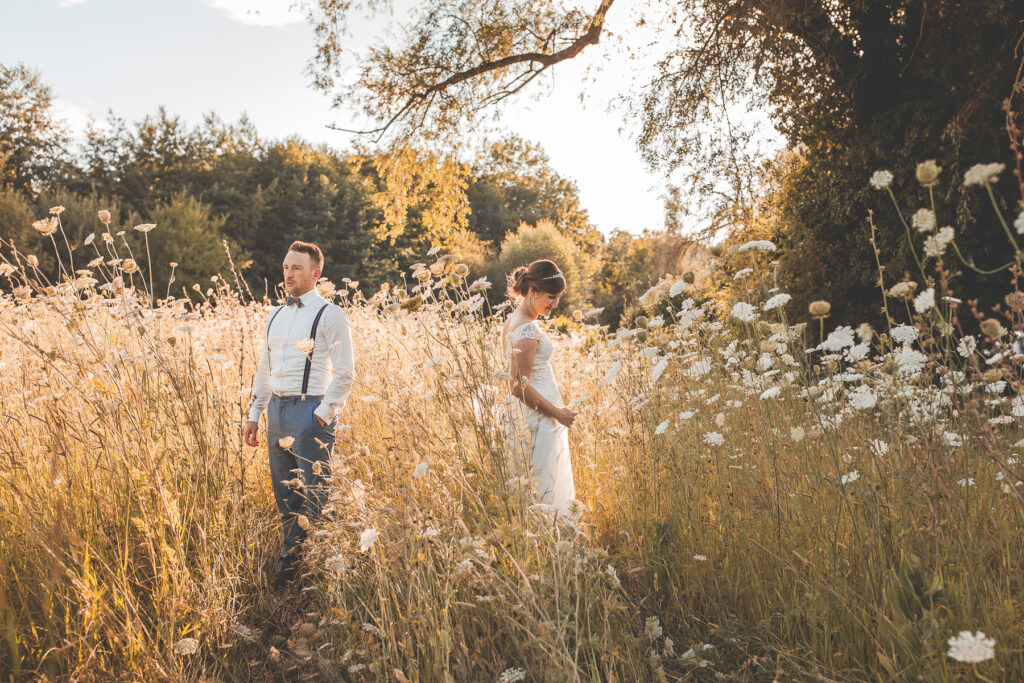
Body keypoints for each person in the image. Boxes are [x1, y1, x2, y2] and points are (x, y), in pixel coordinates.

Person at [243, 241, 355, 588]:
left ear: (315, 274)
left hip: (311, 410)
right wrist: (255, 413)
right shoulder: (275, 315)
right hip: (276, 410)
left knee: (317, 496)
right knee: (286, 495)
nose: (288, 274)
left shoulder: (330, 314)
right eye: (286, 267)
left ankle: (325, 571)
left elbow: (345, 373)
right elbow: (265, 368)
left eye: (297, 268)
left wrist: (321, 415)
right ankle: (290, 568)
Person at [501, 259, 577, 516]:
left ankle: (543, 530)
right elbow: (517, 386)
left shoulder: (514, 320)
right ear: (533, 291)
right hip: (539, 417)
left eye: (559, 297)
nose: (556, 304)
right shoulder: (526, 328)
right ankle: (550, 530)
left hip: (534, 414)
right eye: (551, 297)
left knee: (537, 481)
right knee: (545, 482)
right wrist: (557, 413)